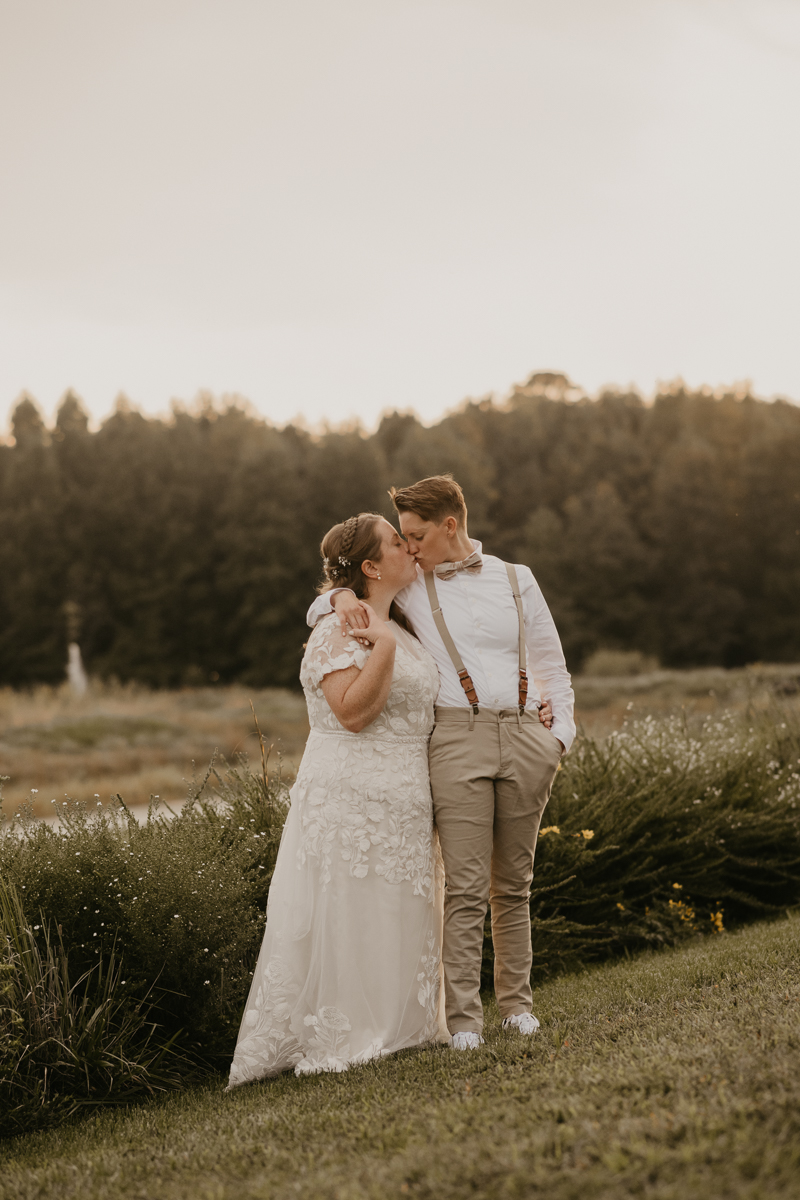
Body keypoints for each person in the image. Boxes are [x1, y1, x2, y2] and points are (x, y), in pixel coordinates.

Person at [307, 475, 575, 1050]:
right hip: (456, 740)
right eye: (402, 538)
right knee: (464, 886)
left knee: (515, 885)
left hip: (528, 736)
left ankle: (518, 1007)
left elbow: (554, 664)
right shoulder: (410, 584)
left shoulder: (517, 579)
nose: (408, 547)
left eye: (416, 535)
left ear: (449, 525)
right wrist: (340, 596)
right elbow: (329, 597)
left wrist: (560, 738)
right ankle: (464, 1022)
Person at [228, 513, 443, 1085]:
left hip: (406, 792)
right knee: (354, 910)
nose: (410, 549)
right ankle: (350, 1030)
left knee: (398, 906)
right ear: (372, 565)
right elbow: (350, 713)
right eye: (399, 542)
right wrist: (385, 650)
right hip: (352, 792)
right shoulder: (338, 630)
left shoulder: (401, 619)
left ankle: (408, 1024)